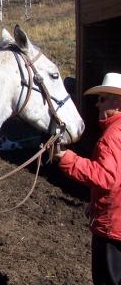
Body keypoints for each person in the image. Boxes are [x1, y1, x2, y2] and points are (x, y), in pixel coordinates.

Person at [55, 72, 121, 285]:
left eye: (102, 99)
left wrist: (67, 158)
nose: (97, 105)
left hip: (112, 229)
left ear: (117, 103)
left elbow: (107, 177)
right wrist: (96, 204)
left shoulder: (111, 137)